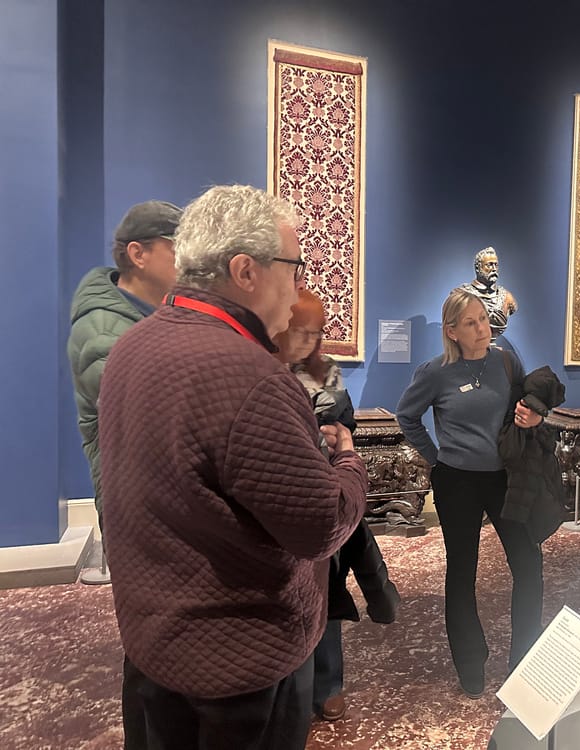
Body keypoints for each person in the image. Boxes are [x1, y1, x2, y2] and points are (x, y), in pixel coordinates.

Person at [98, 184, 368, 750]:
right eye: (294, 266)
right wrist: (346, 459)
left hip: (153, 638)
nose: (297, 288)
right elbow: (320, 525)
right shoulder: (252, 376)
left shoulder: (134, 344)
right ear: (246, 271)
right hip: (240, 663)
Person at [396, 287, 544, 699]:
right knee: (463, 573)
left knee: (529, 563)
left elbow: (524, 406)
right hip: (457, 481)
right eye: (470, 323)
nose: (482, 328)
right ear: (452, 331)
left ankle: (525, 658)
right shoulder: (435, 372)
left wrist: (532, 416)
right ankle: (470, 663)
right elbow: (407, 415)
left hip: (503, 479)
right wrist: (435, 457)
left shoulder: (506, 362)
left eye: (483, 319)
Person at [273, 289, 400, 723]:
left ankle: (329, 685)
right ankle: (294, 690)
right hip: (286, 494)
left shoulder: (326, 370)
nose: (308, 341)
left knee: (326, 592)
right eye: (300, 331)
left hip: (327, 487)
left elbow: (347, 420)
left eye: (315, 333)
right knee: (292, 597)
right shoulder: (263, 369)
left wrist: (336, 434)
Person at [67, 199, 182, 545]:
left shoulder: (156, 312)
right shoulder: (103, 330)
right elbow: (146, 416)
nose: (187, 259)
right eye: (177, 248)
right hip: (133, 502)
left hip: (158, 493)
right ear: (138, 254)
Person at [459, 246, 518, 342]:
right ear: (478, 268)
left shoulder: (507, 297)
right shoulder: (462, 295)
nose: (494, 269)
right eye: (489, 265)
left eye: (496, 265)